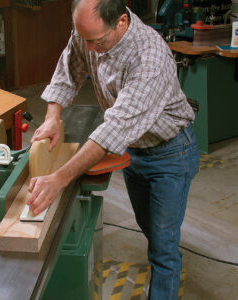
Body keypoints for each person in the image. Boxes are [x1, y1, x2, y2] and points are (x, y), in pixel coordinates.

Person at [28, 0, 199, 299]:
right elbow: (69, 69)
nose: (90, 49)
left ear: (121, 21)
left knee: (163, 249)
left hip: (171, 153)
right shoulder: (90, 32)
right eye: (84, 39)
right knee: (150, 230)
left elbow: (113, 131)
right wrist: (53, 117)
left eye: (97, 42)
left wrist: (59, 178)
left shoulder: (150, 57)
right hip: (134, 152)